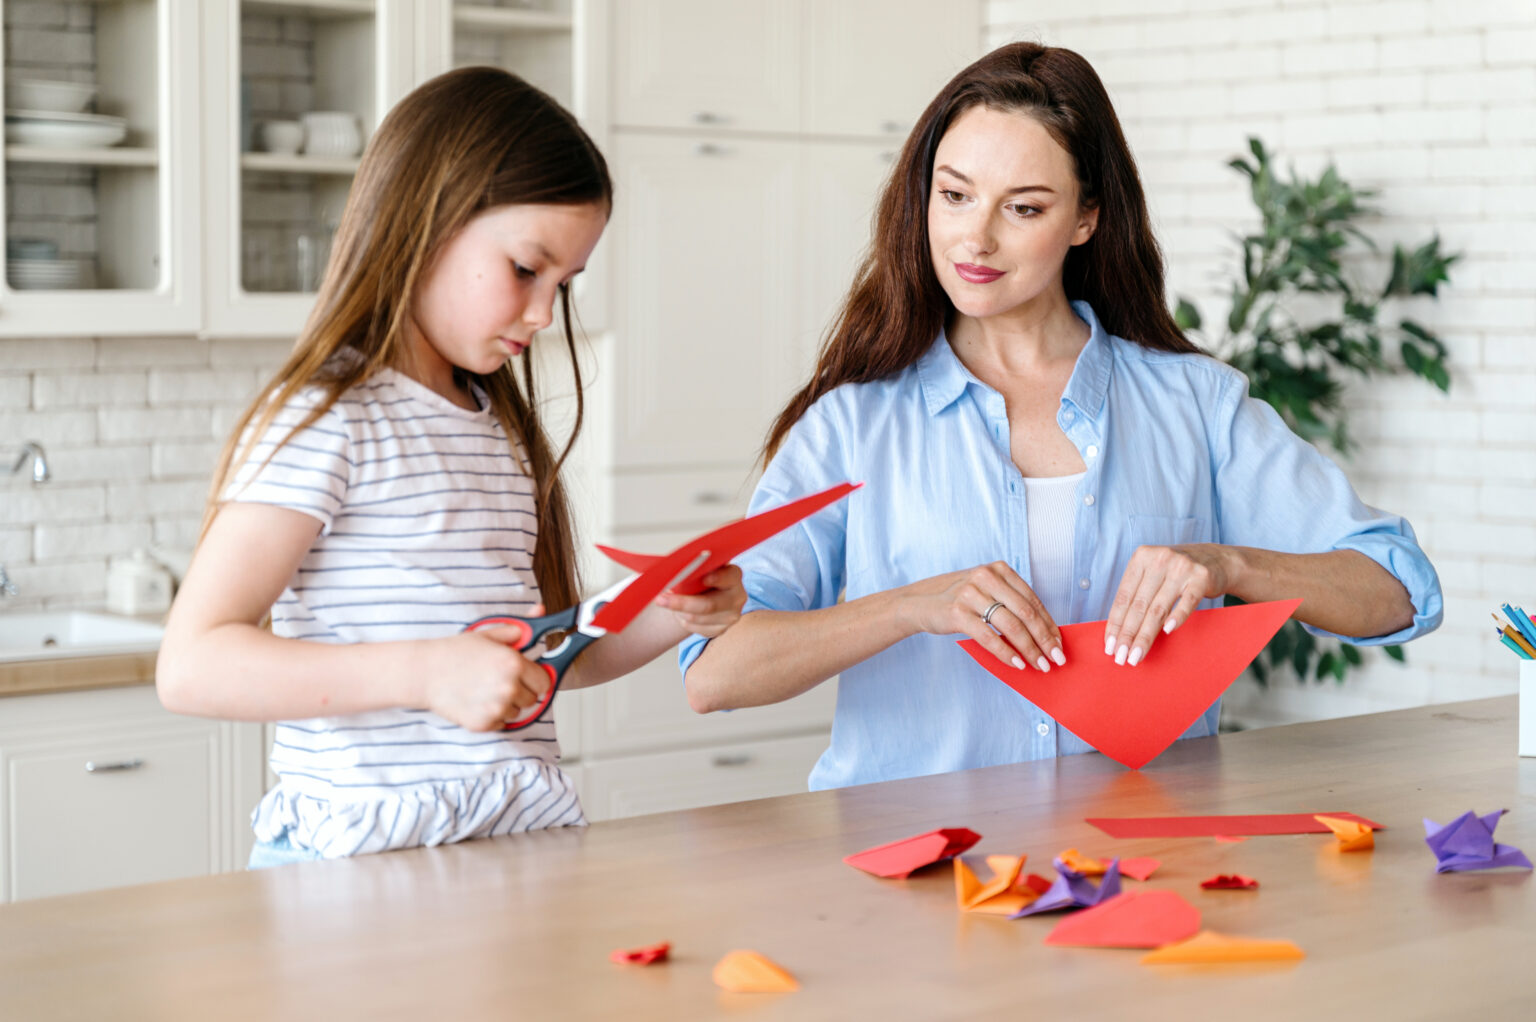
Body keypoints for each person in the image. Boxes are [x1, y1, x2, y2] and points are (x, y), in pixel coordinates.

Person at [679, 42, 1442, 791]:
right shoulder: (852, 424)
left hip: (1137, 855)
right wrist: (910, 607)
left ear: (1085, 219)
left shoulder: (1195, 405)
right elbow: (716, 673)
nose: (976, 237)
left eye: (1023, 208)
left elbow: (1399, 590)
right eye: (955, 195)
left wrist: (1231, 567)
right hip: (922, 857)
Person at [156, 68, 745, 865]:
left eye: (564, 285)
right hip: (354, 868)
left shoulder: (496, 430)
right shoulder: (330, 419)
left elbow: (541, 664)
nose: (544, 313)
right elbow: (192, 665)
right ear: (426, 221)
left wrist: (675, 610)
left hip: (504, 849)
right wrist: (427, 672)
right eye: (526, 269)